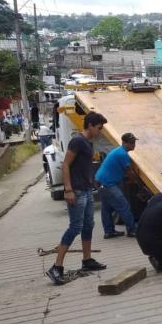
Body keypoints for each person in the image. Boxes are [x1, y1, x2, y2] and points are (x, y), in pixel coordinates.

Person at [46, 111, 109, 285]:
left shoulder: (88, 142)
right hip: (77, 191)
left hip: (86, 189)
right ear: (89, 125)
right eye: (99, 127)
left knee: (89, 225)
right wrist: (68, 189)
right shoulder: (78, 141)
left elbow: (83, 167)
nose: (100, 130)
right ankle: (56, 267)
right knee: (75, 227)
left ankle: (87, 260)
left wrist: (92, 181)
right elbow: (65, 164)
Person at [95, 132, 139, 239]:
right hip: (107, 183)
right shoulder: (122, 154)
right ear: (124, 142)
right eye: (131, 143)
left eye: (134, 142)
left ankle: (109, 231)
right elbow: (129, 172)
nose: (133, 145)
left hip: (100, 182)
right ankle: (132, 230)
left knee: (107, 208)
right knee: (124, 205)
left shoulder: (118, 151)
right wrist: (135, 181)